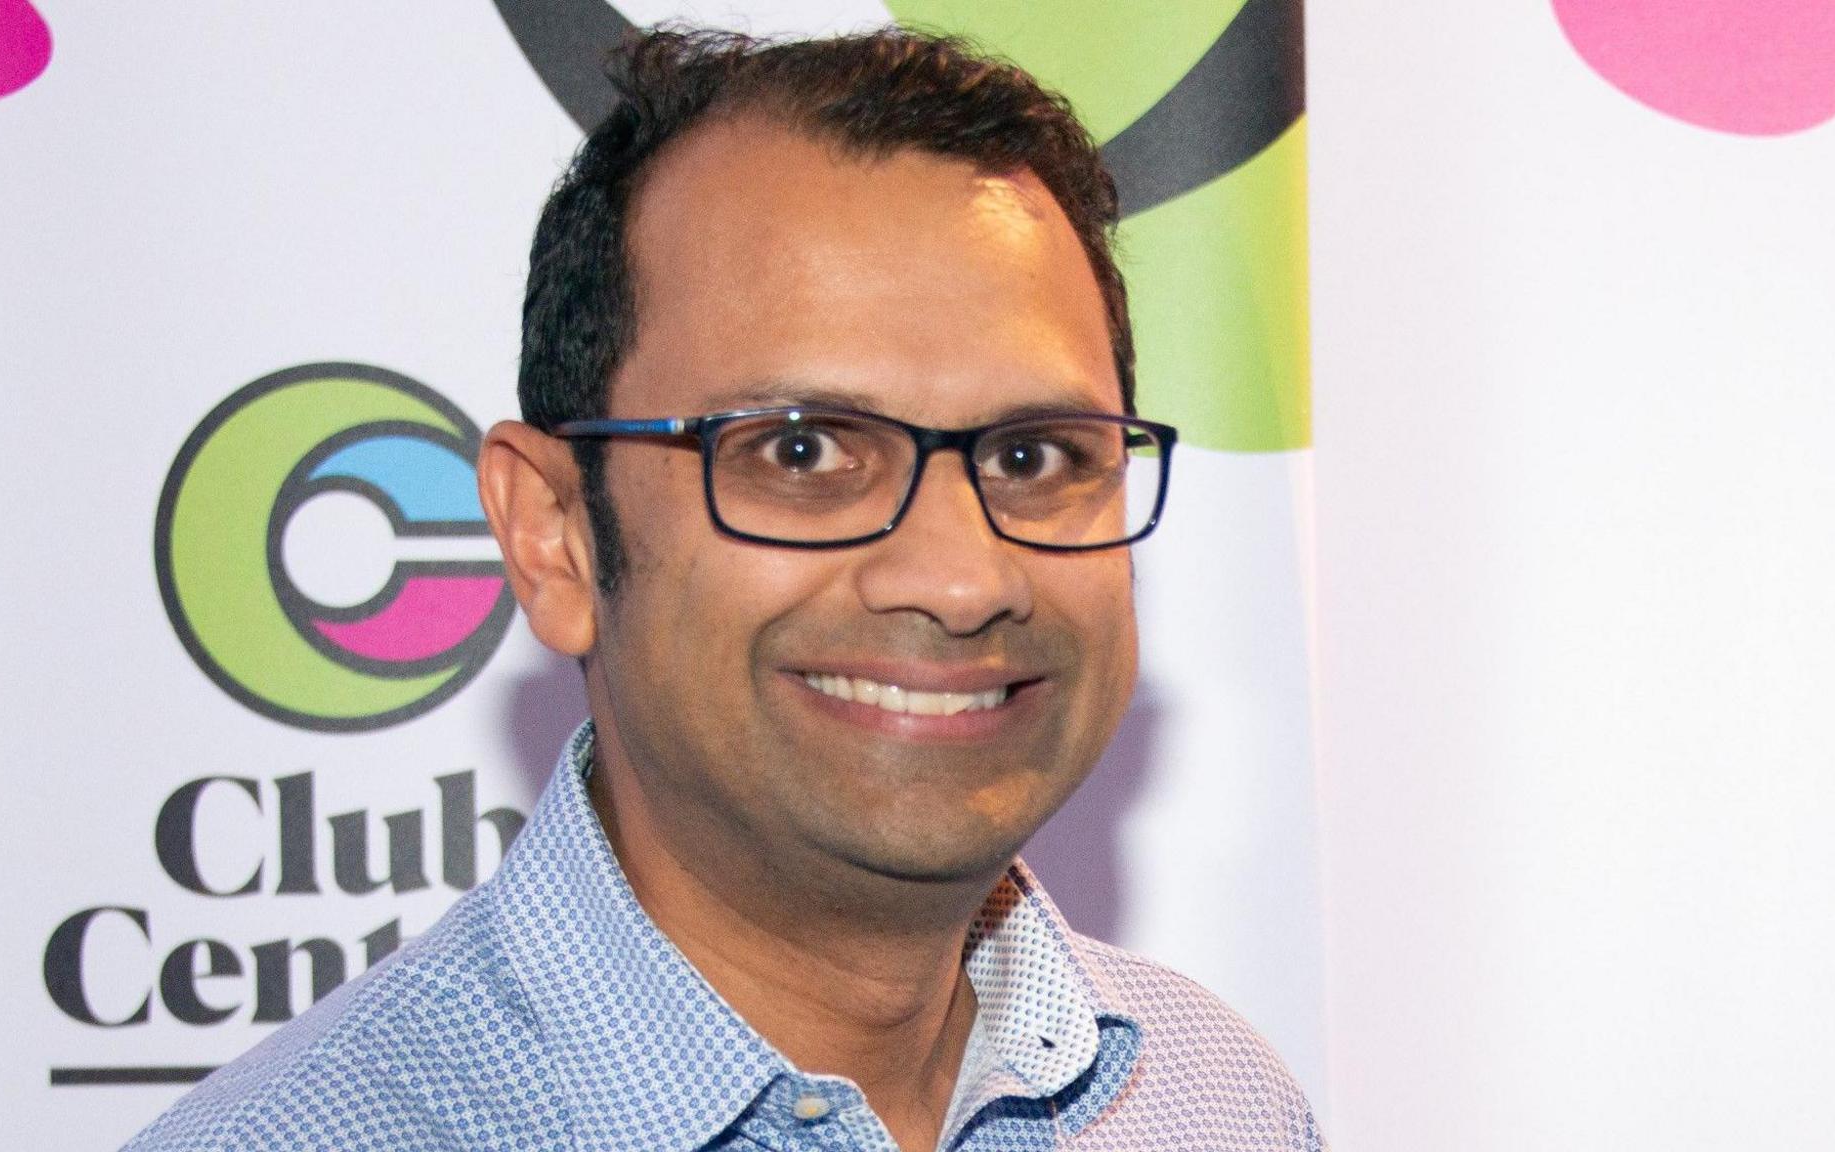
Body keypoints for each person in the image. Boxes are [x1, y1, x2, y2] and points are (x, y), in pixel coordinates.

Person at [126, 26, 1323, 1152]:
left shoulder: (1211, 1100)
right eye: (801, 452)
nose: (961, 579)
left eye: (1032, 456)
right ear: (553, 535)